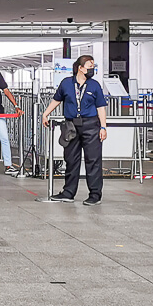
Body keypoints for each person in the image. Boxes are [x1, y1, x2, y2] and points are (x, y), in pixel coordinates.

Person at [42, 55, 108, 206]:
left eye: (93, 67)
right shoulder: (66, 83)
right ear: (80, 67)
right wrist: (46, 113)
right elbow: (56, 100)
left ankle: (95, 194)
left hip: (91, 125)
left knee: (93, 160)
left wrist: (103, 127)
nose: (92, 70)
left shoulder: (94, 85)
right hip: (71, 126)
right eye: (89, 67)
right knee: (71, 159)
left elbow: (100, 107)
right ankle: (68, 192)